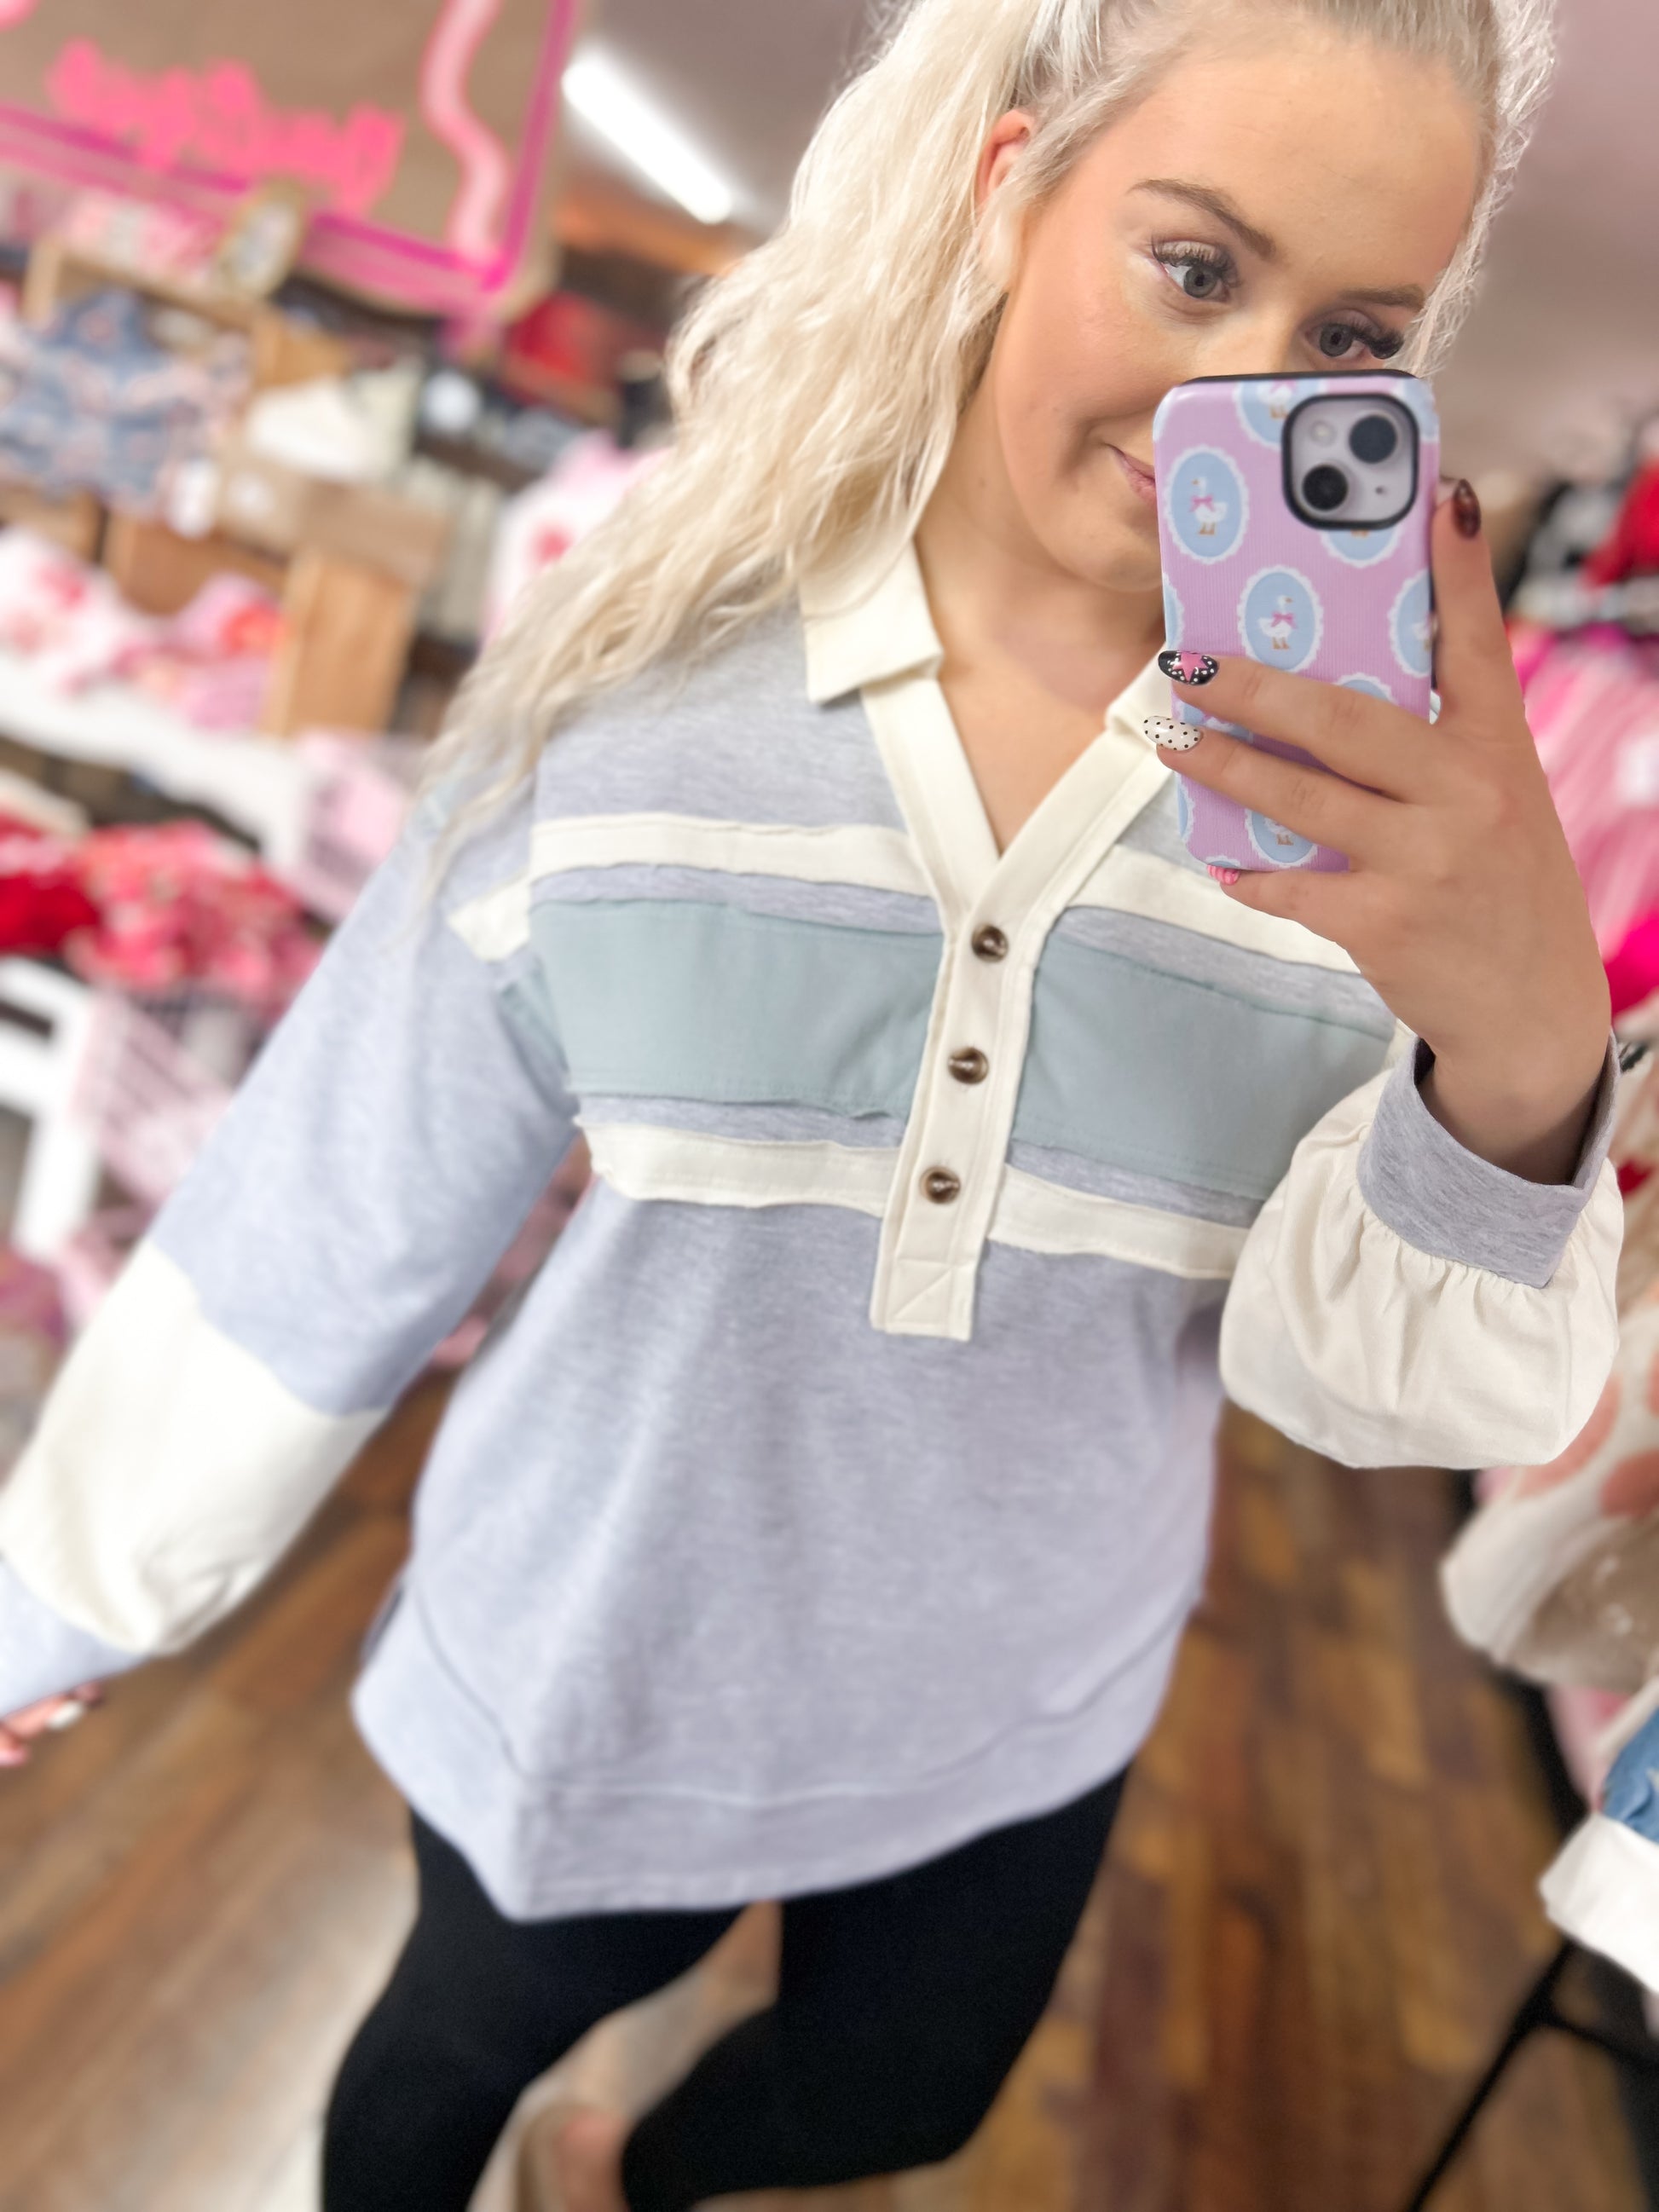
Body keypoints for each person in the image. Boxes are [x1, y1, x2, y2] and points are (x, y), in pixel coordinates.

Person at [0, 1, 1619, 2206]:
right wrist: (61, 1589)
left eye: (1347, 333)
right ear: (1010, 185)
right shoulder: (643, 691)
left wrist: (1516, 1065)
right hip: (601, 1653)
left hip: (1027, 1680)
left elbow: (1363, 1397)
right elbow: (336, 1194)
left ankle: (618, 2179)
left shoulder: (1363, 840)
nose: (1242, 389)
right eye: (1191, 265)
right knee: (427, 2082)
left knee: (898, 2098)